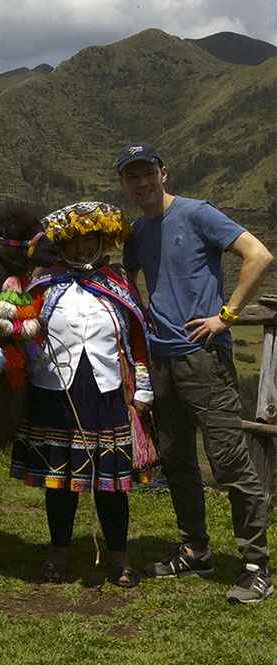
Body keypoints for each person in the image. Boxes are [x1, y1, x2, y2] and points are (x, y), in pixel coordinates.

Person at [117, 144, 274, 603]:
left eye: (147, 173)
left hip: (204, 357)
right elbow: (126, 276)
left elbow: (258, 255)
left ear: (164, 173)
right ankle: (195, 548)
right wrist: (141, 315)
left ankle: (255, 564)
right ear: (125, 183)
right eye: (132, 177)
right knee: (177, 459)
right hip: (161, 361)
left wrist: (226, 314)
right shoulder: (138, 232)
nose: (141, 183)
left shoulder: (197, 213)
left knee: (229, 461)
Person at [9, 202, 154, 588]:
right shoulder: (43, 285)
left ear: (102, 241)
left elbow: (136, 341)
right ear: (62, 246)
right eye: (72, 242)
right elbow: (26, 330)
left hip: (107, 395)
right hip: (55, 393)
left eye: (89, 240)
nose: (81, 249)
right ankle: (58, 553)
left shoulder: (118, 287)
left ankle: (119, 557)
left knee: (111, 483)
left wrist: (142, 389)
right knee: (60, 482)